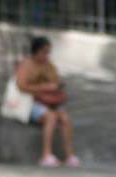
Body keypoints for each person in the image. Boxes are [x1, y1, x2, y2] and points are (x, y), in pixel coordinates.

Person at [14, 36, 80, 167]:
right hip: (30, 103)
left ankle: (69, 155)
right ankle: (46, 154)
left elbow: (56, 81)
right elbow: (21, 86)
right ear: (36, 51)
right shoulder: (25, 65)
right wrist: (44, 87)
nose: (46, 55)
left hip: (49, 102)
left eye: (48, 52)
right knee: (51, 117)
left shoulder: (49, 65)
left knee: (64, 118)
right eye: (44, 52)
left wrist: (54, 87)